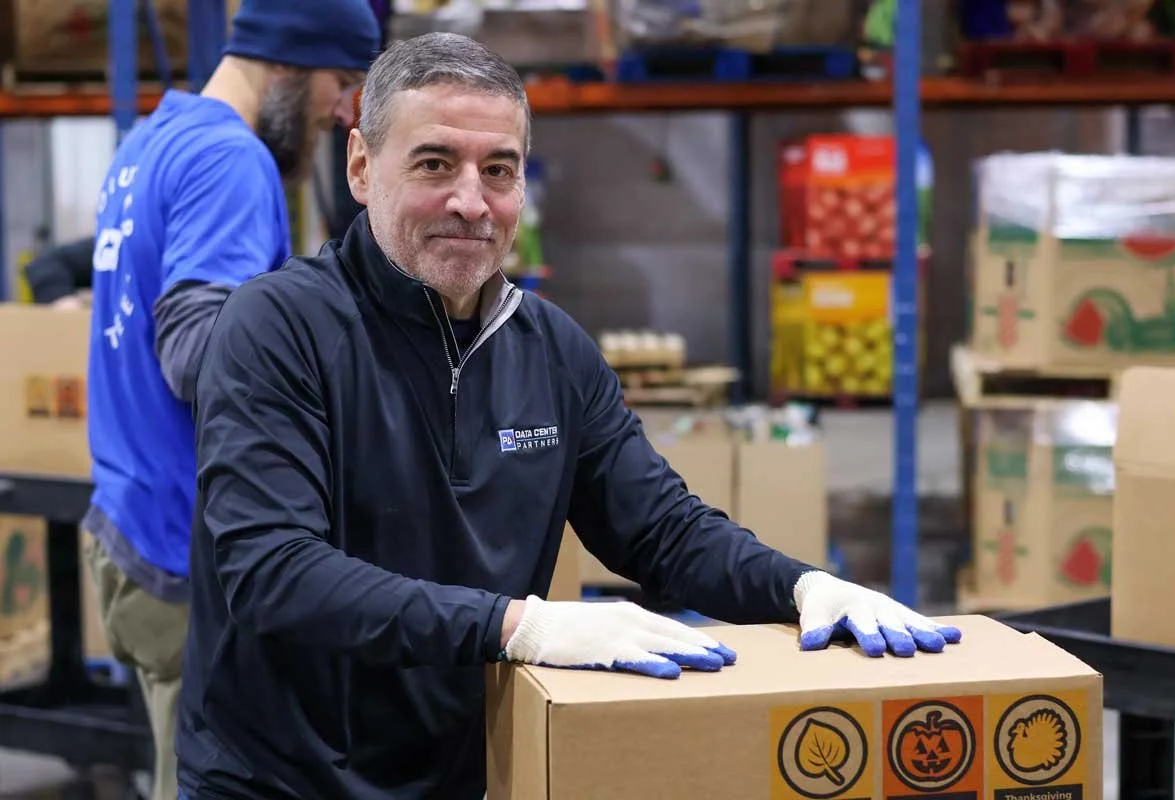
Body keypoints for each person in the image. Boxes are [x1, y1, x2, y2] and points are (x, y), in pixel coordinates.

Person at [178, 32, 962, 800]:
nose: (469, 202)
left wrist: (805, 588)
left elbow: (661, 530)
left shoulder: (549, 351)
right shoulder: (276, 329)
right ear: (359, 166)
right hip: (277, 780)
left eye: (499, 170)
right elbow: (273, 572)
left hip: (455, 776)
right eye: (433, 164)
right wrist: (523, 627)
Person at [81, 2, 379, 799]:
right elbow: (194, 353)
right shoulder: (230, 161)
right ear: (288, 63)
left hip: (129, 526)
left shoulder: (155, 137)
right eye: (340, 81)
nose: (340, 110)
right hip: (184, 550)